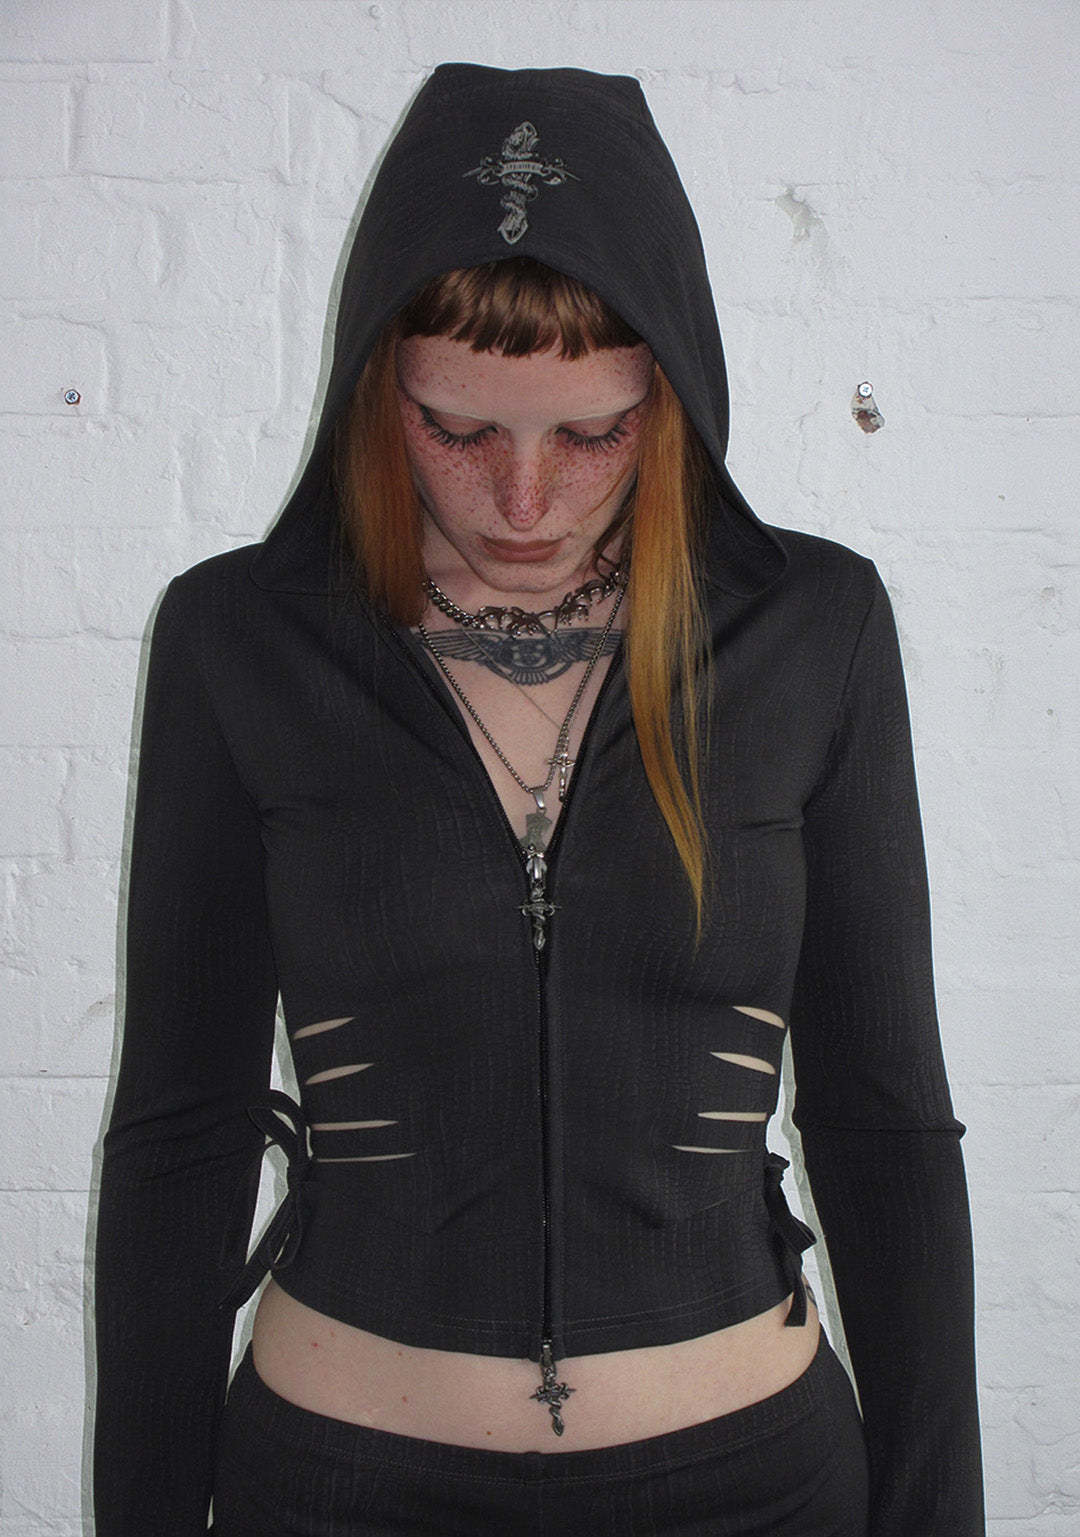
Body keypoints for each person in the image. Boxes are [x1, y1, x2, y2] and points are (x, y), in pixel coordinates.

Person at [92, 63, 985, 1536]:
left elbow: (885, 1124)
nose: (523, 499)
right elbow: (180, 1131)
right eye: (458, 430)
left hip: (750, 1491)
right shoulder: (241, 642)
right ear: (378, 388)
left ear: (671, 398)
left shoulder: (810, 634)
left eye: (589, 433)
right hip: (337, 1491)